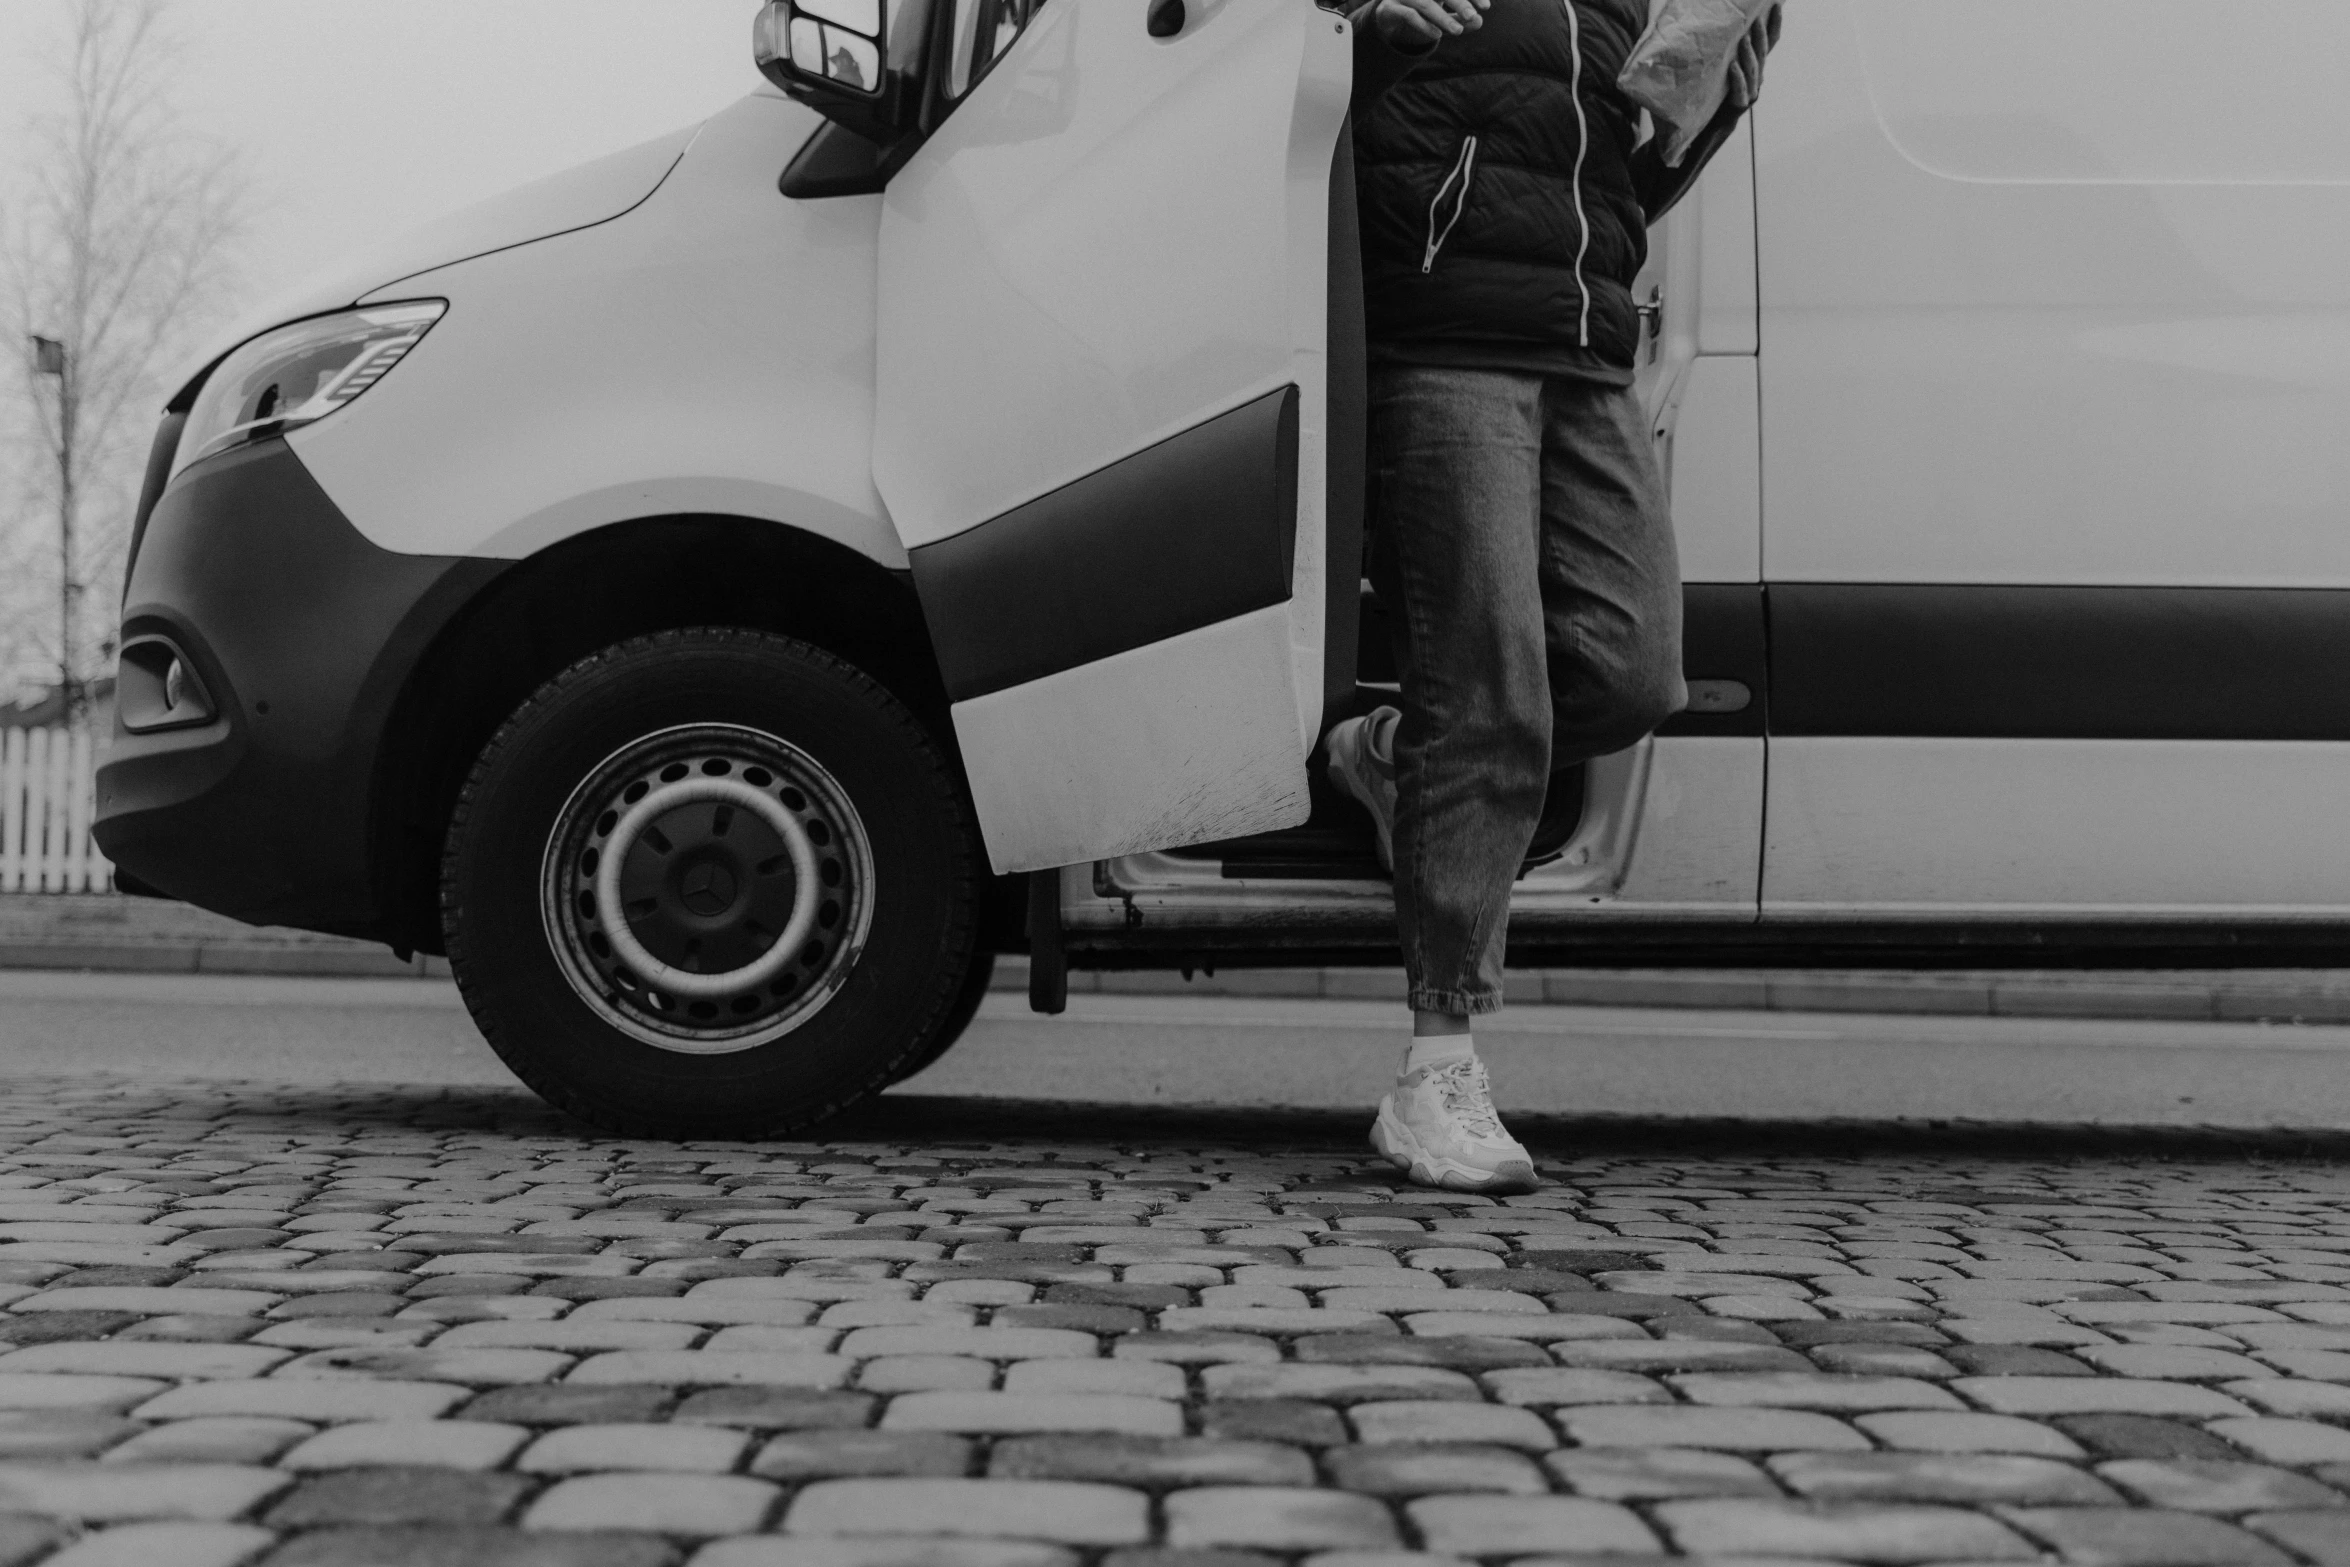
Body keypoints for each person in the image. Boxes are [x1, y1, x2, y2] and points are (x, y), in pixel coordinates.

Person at [1330, 0, 1780, 1193]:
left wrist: (1721, 88)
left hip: (1583, 338)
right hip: (1439, 334)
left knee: (1634, 671)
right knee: (1487, 688)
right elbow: (1241, 56)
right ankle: (1436, 1073)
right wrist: (1360, 13)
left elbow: (1630, 173)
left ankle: (1389, 757)